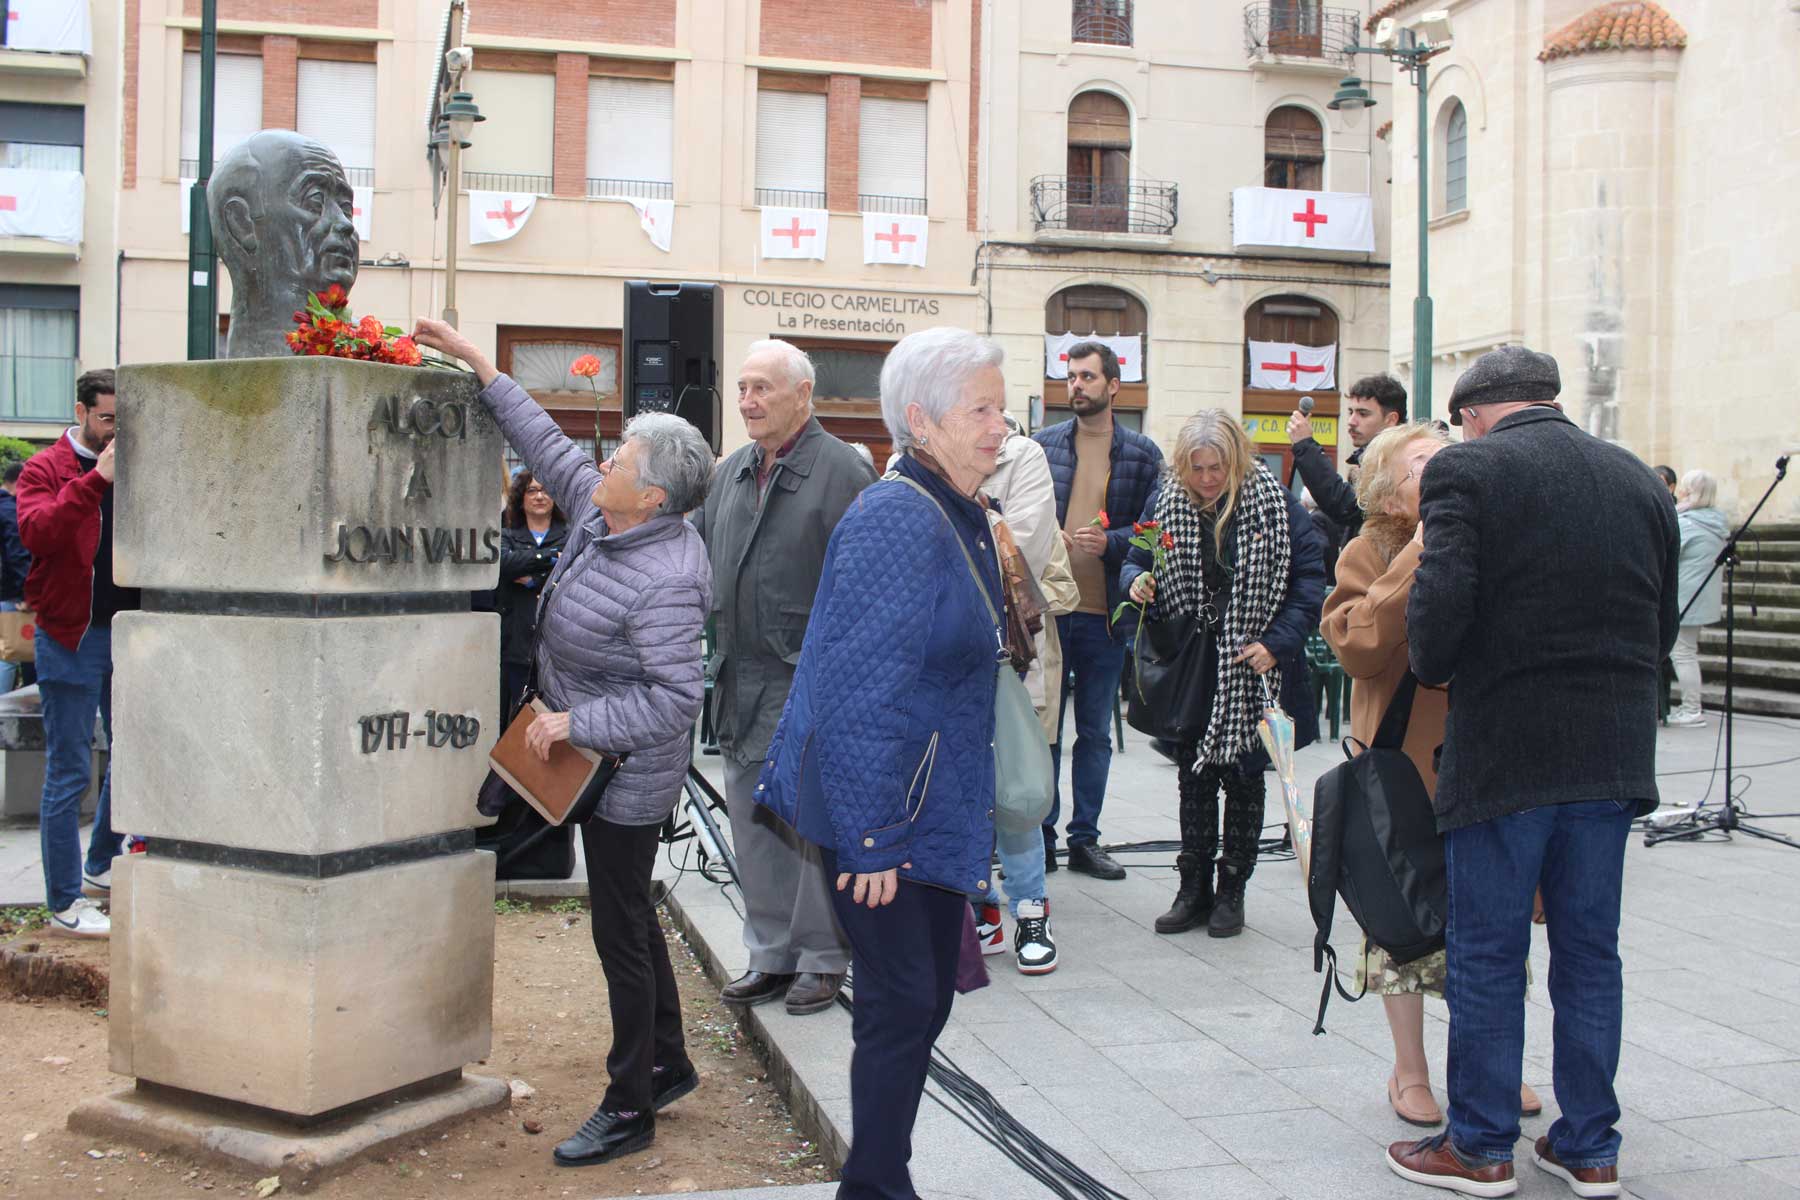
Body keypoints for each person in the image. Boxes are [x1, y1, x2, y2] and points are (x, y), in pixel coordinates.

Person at [412, 318, 714, 1168]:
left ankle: (631, 1104)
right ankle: (669, 1061)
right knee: (629, 912)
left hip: (623, 778)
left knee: (618, 928)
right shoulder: (599, 514)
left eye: (621, 459)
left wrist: (574, 723)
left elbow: (674, 698)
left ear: (652, 496)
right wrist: (481, 366)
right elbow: (547, 445)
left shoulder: (666, 577)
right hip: (583, 755)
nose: (604, 463)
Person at [1386, 346, 1677, 1199]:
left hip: (1507, 755)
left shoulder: (1467, 473)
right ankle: (1589, 1147)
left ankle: (1477, 1147)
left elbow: (1434, 637)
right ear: (1547, 401)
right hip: (1613, 754)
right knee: (1591, 955)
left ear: (1473, 414)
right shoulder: (1634, 478)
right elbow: (1658, 631)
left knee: (1486, 952)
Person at [756, 326, 1009, 1200]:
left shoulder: (955, 508)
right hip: (888, 811)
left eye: (1000, 409)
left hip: (926, 801)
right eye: (981, 409)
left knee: (922, 1000)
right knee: (903, 1009)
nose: (1000, 426)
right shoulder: (899, 517)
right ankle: (875, 1185)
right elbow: (858, 691)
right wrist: (871, 839)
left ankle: (879, 1176)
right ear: (922, 421)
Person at [1321, 423, 1542, 1129]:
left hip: (1484, 761)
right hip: (1400, 770)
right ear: (1390, 486)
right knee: (1403, 925)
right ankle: (1409, 1071)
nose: (1444, 473)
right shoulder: (1372, 548)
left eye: (1451, 462)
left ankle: (1493, 1065)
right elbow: (1356, 644)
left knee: (1493, 922)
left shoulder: (1492, 541)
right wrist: (1419, 554)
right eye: (1425, 465)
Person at [700, 340, 875, 1016]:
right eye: (742, 388)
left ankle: (824, 959)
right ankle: (770, 955)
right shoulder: (731, 473)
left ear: (803, 395)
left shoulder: (844, 472)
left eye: (762, 388)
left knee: (809, 830)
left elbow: (866, 588)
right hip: (738, 678)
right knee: (751, 821)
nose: (748, 401)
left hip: (809, 678)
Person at [1122, 411, 1323, 938]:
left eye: (1217, 467)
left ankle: (1232, 891)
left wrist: (1276, 643)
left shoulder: (1274, 504)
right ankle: (1193, 890)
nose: (1207, 478)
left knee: (1244, 778)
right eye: (1197, 468)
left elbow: (1309, 581)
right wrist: (1138, 579)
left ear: (1236, 461)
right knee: (1193, 776)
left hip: (1255, 665)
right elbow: (1134, 555)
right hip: (1193, 662)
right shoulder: (1165, 501)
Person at [1033, 341, 1164, 880]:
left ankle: (1084, 840)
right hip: (1049, 613)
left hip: (1106, 615)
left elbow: (1157, 533)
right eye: (1071, 377)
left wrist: (1108, 542)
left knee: (1094, 732)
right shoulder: (1042, 447)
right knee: (1044, 731)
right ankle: (1039, 836)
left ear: (1114, 385)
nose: (1076, 386)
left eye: (1087, 376)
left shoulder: (1142, 454)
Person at [18, 368, 139, 938]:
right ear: (83, 411)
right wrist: (96, 480)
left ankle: (100, 864)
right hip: (70, 634)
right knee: (68, 772)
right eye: (108, 417)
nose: (116, 428)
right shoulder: (47, 468)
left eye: (124, 418)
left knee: (131, 752)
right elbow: (38, 532)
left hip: (131, 632)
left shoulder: (138, 464)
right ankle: (64, 901)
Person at [972, 414, 1071, 974]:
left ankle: (1031, 909)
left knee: (1016, 788)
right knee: (962, 788)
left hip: (1010, 652)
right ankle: (981, 908)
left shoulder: (1023, 457)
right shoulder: (908, 458)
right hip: (944, 656)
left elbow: (1022, 549)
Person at [1286, 373, 1408, 554]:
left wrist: (1305, 446)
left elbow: (1346, 506)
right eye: (1351, 412)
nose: (1351, 422)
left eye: (1363, 414)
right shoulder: (1372, 459)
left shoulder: (1399, 460)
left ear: (1391, 419)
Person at [497, 469, 568, 717]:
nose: (539, 496)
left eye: (546, 490)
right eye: (532, 490)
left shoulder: (569, 536)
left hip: (555, 647)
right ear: (522, 497)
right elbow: (504, 565)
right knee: (514, 719)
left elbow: (569, 572)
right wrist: (550, 558)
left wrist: (531, 578)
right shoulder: (506, 535)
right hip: (515, 643)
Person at [1668, 469, 1727, 728]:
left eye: (1684, 487)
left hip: (1685, 597)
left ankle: (1692, 709)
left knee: (1682, 653)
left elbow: (1668, 553)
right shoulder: (1715, 521)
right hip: (1700, 596)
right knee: (1687, 651)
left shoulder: (1689, 523)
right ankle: (1690, 706)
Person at [0, 460, 32, 694]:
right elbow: (17, 555)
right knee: (9, 655)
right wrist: (26, 593)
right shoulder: (10, 509)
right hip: (10, 595)